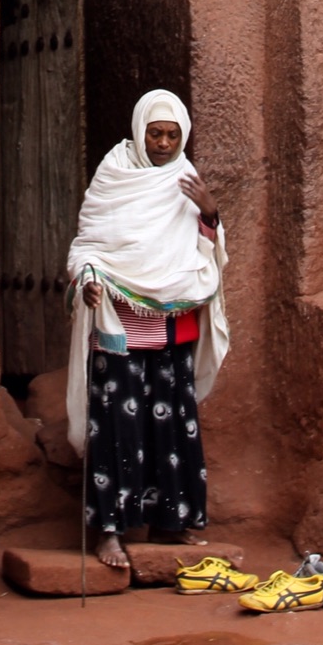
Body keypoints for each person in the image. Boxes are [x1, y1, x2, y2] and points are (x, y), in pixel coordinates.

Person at [66, 89, 230, 569]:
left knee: (174, 425)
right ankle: (110, 532)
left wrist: (210, 212)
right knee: (118, 427)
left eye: (172, 135)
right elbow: (88, 246)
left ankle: (170, 522)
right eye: (155, 133)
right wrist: (90, 283)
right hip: (120, 329)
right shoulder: (113, 176)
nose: (162, 143)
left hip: (172, 331)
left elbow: (209, 252)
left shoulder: (187, 181)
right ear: (139, 131)